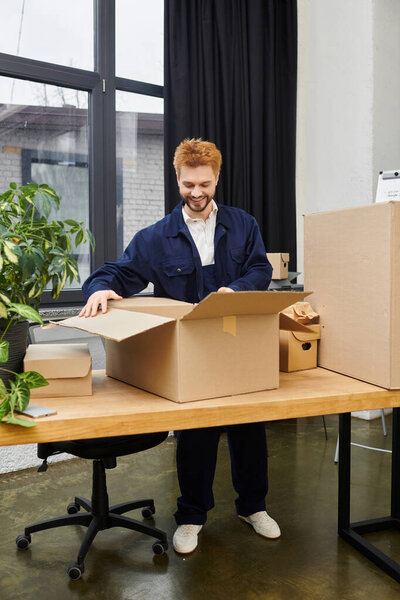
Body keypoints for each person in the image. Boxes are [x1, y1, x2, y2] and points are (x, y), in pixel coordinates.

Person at [79, 138, 281, 554]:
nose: (196, 193)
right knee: (196, 438)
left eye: (204, 184)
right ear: (178, 179)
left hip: (238, 344)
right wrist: (100, 289)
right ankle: (191, 516)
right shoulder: (156, 237)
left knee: (250, 430)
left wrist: (236, 288)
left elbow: (261, 267)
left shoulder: (243, 224)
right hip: (190, 354)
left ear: (217, 178)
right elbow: (118, 272)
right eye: (188, 184)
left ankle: (253, 507)